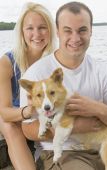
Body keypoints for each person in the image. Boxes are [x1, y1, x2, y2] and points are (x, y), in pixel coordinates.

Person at [20, 1, 107, 170]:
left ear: (91, 30)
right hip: (66, 153)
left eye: (82, 30)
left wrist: (98, 109)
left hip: (104, 144)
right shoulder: (36, 75)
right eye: (68, 31)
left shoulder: (104, 71)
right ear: (57, 32)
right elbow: (28, 130)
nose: (75, 38)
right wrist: (73, 127)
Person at [0, 2, 55, 170]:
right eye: (30, 28)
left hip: (36, 114)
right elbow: (5, 111)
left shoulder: (54, 61)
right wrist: (28, 111)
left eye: (42, 27)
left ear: (50, 30)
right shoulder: (7, 62)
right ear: (22, 32)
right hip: (12, 113)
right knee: (10, 126)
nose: (36, 34)